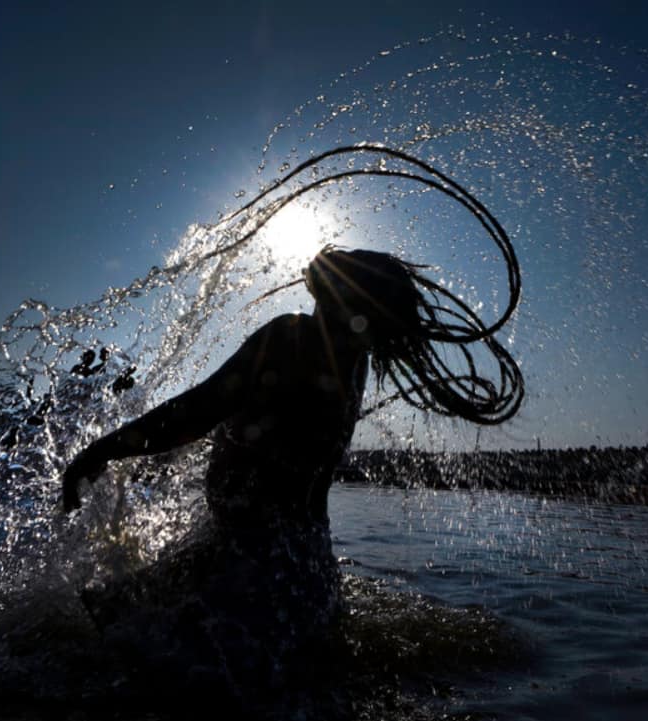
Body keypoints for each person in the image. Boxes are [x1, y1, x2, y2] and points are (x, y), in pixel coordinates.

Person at [61, 247, 522, 710]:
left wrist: (103, 449)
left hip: (247, 563)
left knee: (139, 662)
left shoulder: (290, 337)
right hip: (300, 566)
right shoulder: (352, 361)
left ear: (340, 295)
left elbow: (199, 409)